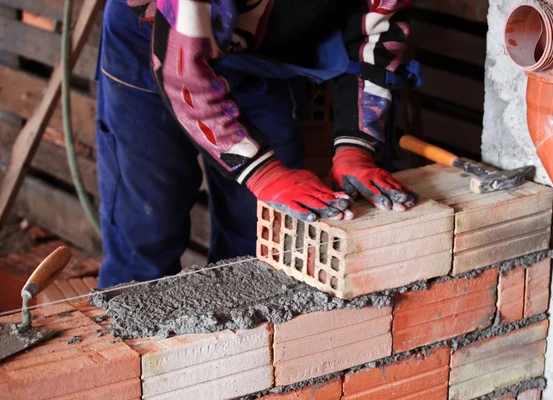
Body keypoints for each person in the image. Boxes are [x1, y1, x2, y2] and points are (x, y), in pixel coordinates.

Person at [95, 0, 420, 288]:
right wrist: (263, 173)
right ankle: (131, 342)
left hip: (261, 55)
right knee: (148, 222)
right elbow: (183, 73)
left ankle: (237, 342)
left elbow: (378, 32)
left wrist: (356, 147)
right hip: (156, 40)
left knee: (262, 237)